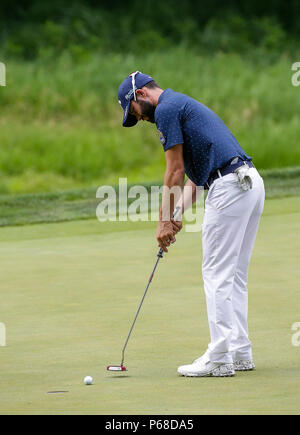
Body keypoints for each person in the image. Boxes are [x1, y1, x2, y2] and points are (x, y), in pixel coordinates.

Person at [117, 71, 265, 377]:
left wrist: (162, 222)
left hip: (230, 188)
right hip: (249, 183)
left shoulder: (167, 110)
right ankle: (239, 351)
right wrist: (176, 215)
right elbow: (196, 176)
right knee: (234, 273)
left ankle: (220, 357)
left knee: (216, 273)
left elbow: (175, 170)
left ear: (141, 94)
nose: (139, 119)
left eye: (134, 111)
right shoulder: (182, 105)